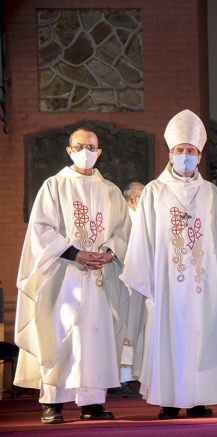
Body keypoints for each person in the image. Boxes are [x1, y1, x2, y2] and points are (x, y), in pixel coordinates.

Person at [120, 109, 217, 419]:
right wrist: (147, 282)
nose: (185, 156)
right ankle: (170, 400)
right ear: (170, 154)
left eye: (191, 151)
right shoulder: (153, 193)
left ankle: (200, 398)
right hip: (167, 284)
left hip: (204, 284)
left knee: (202, 335)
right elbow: (142, 240)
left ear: (199, 157)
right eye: (180, 151)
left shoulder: (213, 194)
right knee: (169, 337)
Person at [14, 126, 131, 423]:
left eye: (92, 146)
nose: (86, 151)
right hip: (62, 274)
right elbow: (41, 229)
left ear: (100, 152)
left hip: (99, 278)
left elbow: (123, 231)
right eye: (80, 146)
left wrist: (109, 251)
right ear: (69, 150)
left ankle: (92, 402)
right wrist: (74, 253)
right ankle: (52, 402)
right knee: (60, 334)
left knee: (95, 336)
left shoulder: (112, 191)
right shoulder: (54, 186)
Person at [108, 182, 147, 398]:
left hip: (135, 283)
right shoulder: (126, 221)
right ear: (134, 200)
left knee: (133, 329)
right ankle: (120, 379)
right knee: (123, 328)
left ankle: (127, 377)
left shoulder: (138, 220)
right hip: (123, 282)